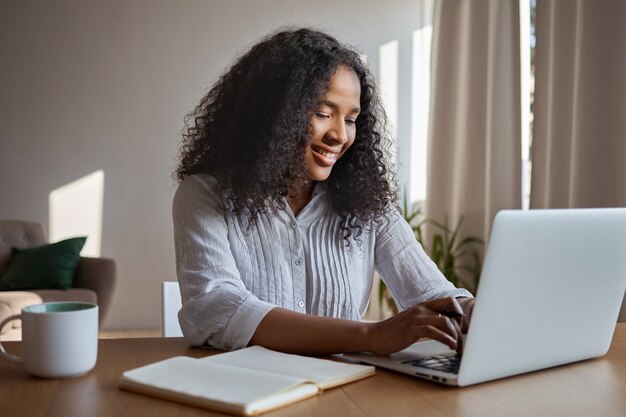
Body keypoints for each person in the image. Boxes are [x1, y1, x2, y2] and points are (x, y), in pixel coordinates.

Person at [173, 27, 475, 356]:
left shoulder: (369, 205)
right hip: (247, 393)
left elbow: (433, 294)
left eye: (351, 119)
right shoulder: (205, 195)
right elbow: (217, 309)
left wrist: (473, 312)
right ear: (272, 112)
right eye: (322, 113)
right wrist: (369, 336)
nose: (340, 136)